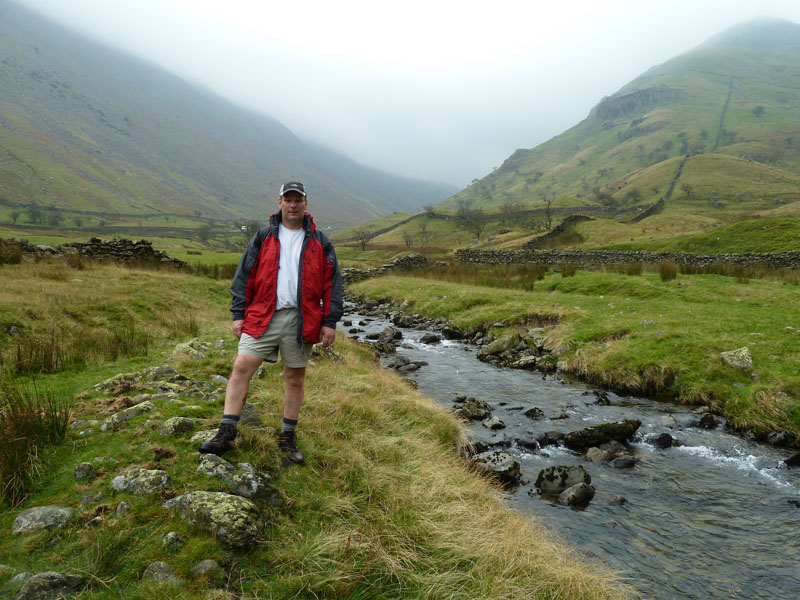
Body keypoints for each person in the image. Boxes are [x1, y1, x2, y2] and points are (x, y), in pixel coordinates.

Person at [199, 181, 343, 465]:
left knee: (295, 377)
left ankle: (287, 437)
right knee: (241, 366)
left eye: (297, 200)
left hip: (301, 318)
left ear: (305, 204)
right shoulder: (263, 237)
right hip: (263, 313)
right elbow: (244, 277)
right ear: (279, 203)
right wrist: (238, 313)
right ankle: (226, 432)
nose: (292, 205)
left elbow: (333, 284)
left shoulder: (320, 241)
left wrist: (330, 321)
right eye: (287, 200)